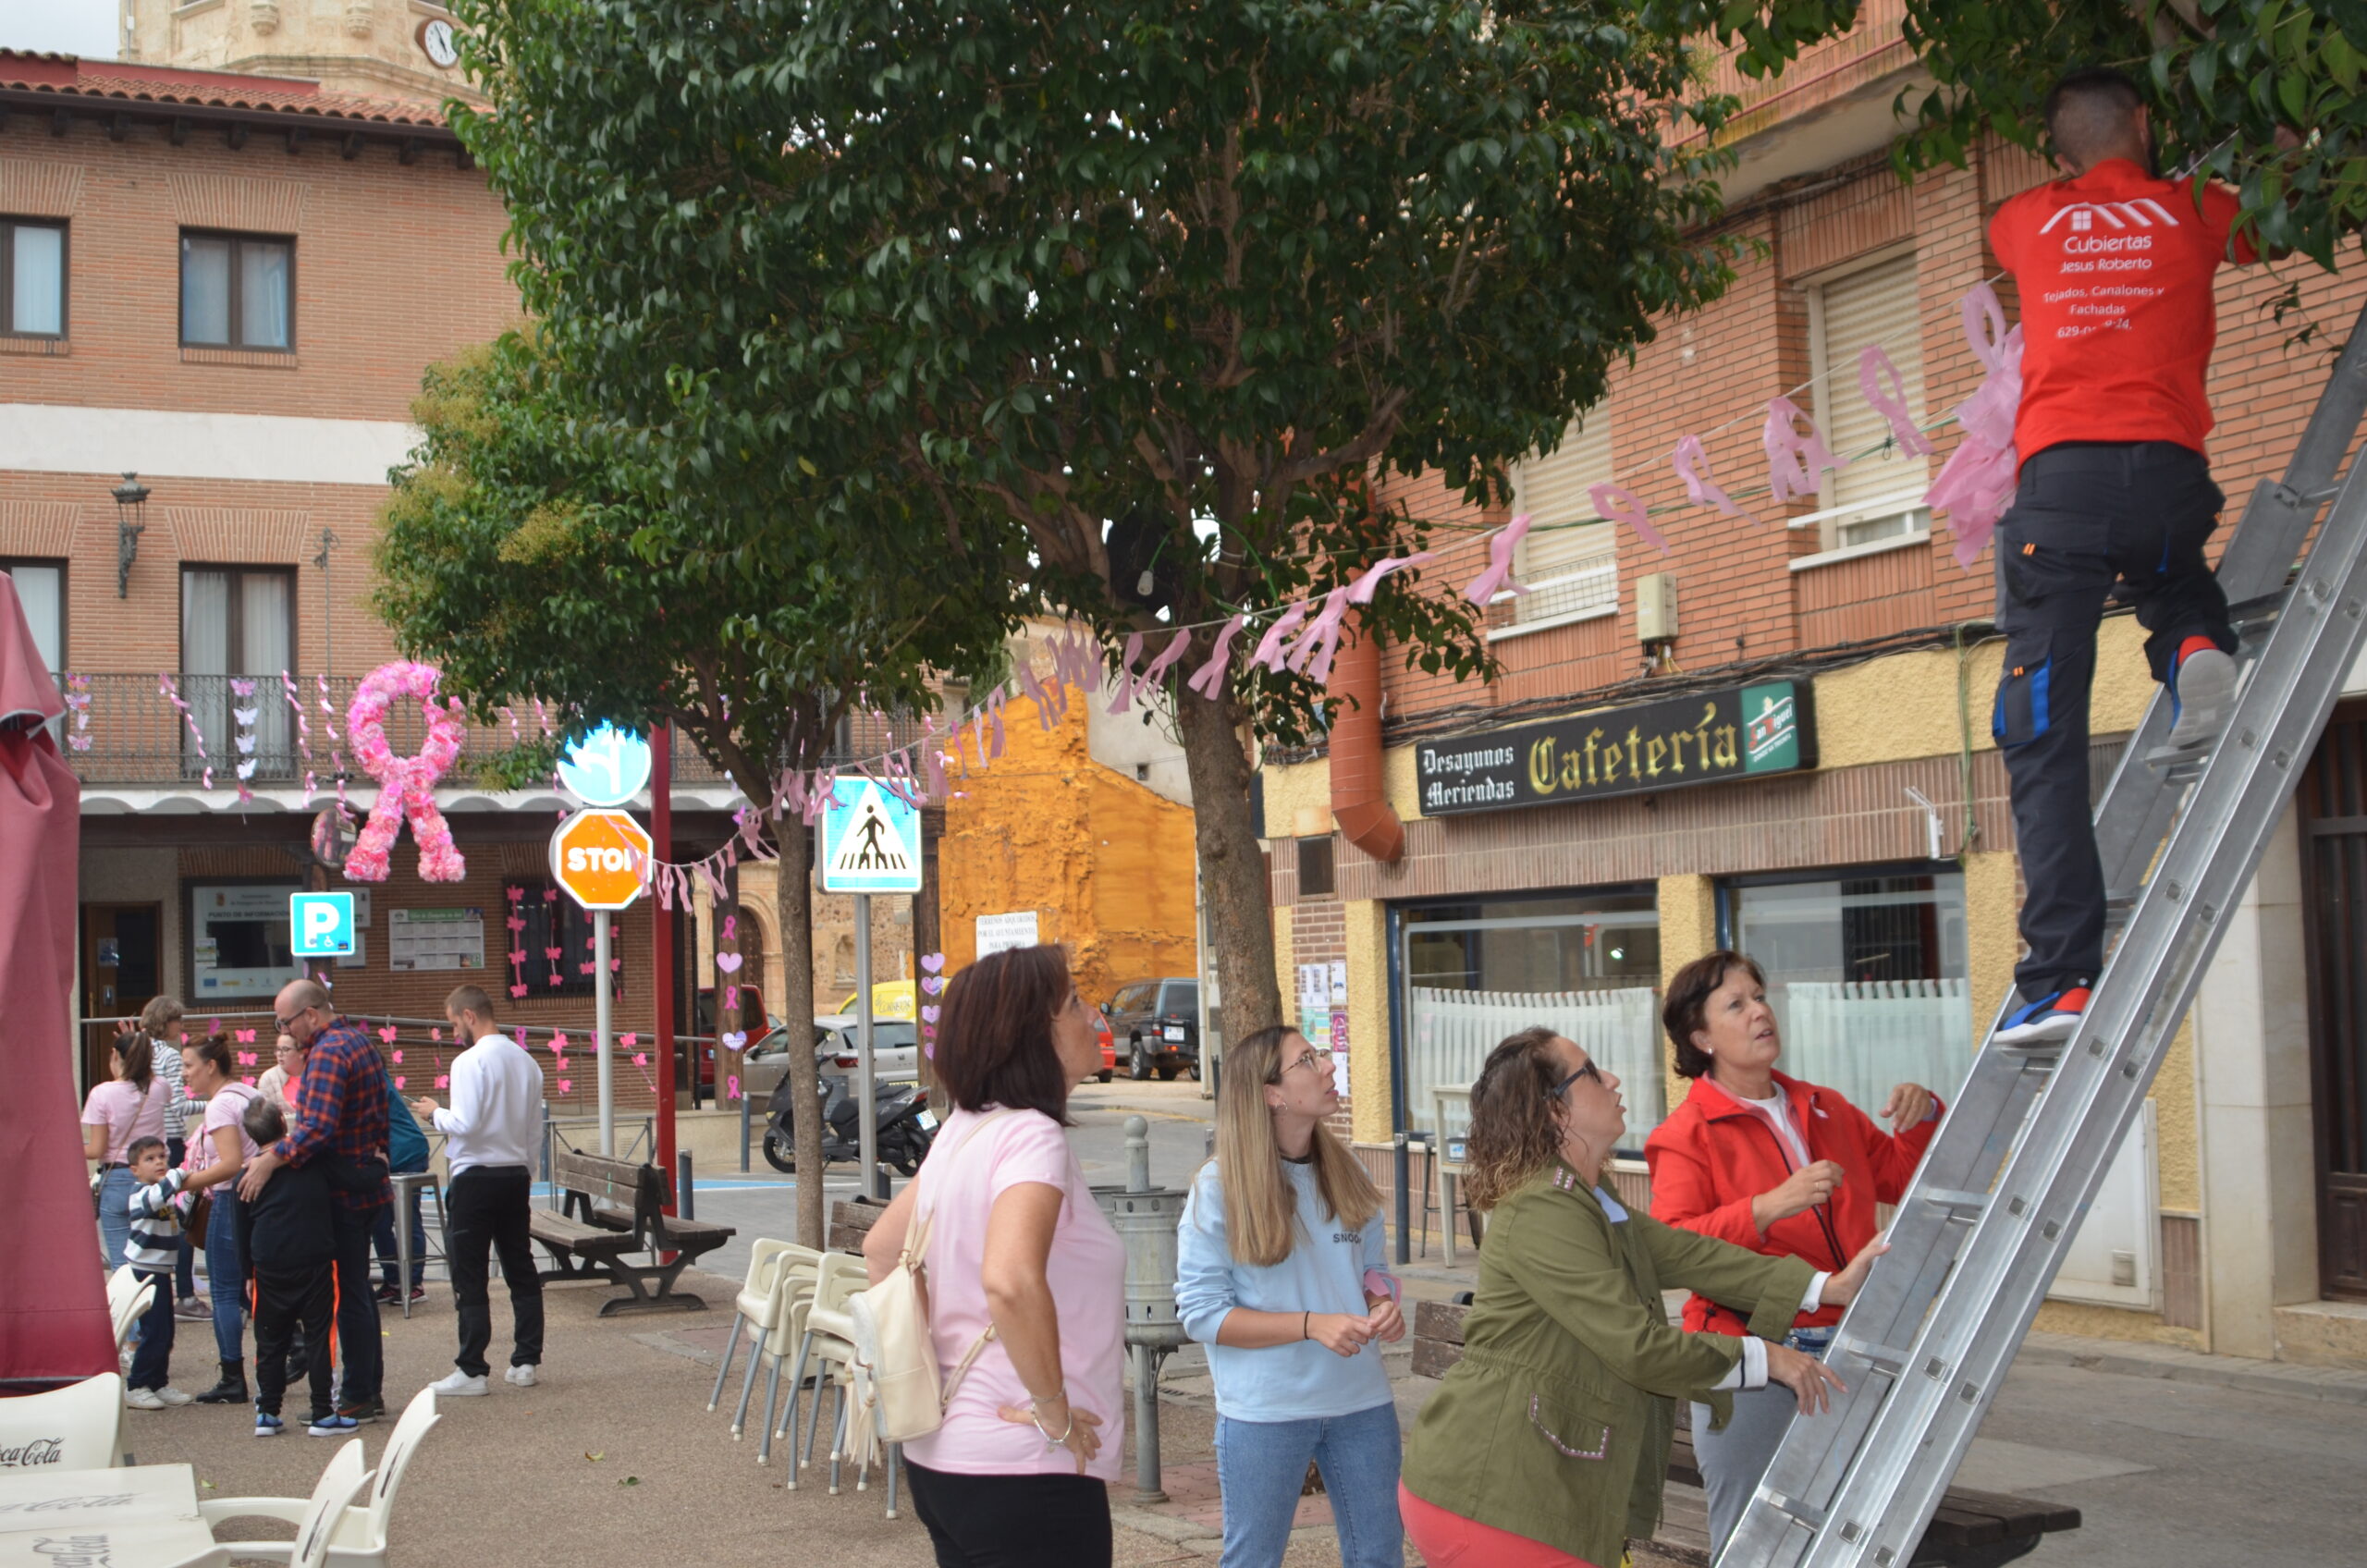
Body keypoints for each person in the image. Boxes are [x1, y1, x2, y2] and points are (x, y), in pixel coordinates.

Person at [1986, 66, 2276, 1047]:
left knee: (2044, 738)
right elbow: (2272, 225)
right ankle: (2194, 643)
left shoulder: (2026, 218)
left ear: (2057, 152)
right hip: (2167, 474)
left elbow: (2018, 231)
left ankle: (2061, 981)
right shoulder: (2196, 208)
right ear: (2145, 123)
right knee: (2169, 566)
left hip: (2060, 489)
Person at [1399, 1027, 1882, 1568]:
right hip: (1493, 1494)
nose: (1612, 1079)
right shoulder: (1542, 1208)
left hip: (1530, 1489)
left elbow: (1687, 1254)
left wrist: (1825, 1287)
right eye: (1590, 1073)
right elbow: (1638, 1347)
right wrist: (1766, 1357)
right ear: (1555, 1111)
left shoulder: (1586, 1196)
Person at [1644, 952, 1944, 1554]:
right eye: (1736, 1004)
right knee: (1752, 1544)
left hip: (1853, 1343)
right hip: (1752, 1352)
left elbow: (1900, 1179)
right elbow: (1672, 1248)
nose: (1760, 1011)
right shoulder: (1685, 1134)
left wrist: (1923, 1114)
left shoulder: (1825, 1105)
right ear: (1702, 1038)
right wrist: (1768, 1206)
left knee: (1859, 1530)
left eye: (1759, 996)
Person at [859, 945, 1125, 1568]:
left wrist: (945, 1364)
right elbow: (1009, 1280)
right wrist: (1054, 1411)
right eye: (1074, 1003)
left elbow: (881, 1251)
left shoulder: (966, 1128)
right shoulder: (1032, 1135)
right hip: (1026, 1468)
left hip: (945, 1457)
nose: (1093, 1015)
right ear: (1034, 1034)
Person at [1176, 1025, 1405, 1568]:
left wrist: (1381, 1304)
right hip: (1264, 1411)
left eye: (1321, 1054)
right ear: (1270, 1093)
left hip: (1362, 1403)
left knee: (1380, 1556)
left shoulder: (1349, 1171)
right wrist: (1310, 1324)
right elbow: (1201, 1315)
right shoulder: (1219, 1185)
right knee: (1253, 1559)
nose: (1328, 1066)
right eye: (1307, 1060)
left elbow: (1373, 1271)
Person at [239, 979, 390, 1425]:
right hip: (364, 1183)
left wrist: (271, 1160)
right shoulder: (359, 1042)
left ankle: (358, 1395)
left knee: (349, 1296)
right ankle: (366, 1390)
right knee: (358, 1290)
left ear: (310, 1014)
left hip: (343, 1192)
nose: (284, 1031)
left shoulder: (327, 1052)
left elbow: (318, 1128)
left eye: (285, 1022)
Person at [411, 986, 546, 1397]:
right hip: (514, 1174)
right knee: (520, 1266)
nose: (455, 1033)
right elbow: (534, 1131)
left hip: (475, 1177)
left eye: (454, 1023)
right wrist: (527, 1172)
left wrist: (434, 1112)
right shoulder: (527, 1062)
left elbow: (464, 1123)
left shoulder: (469, 1062)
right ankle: (526, 1360)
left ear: (469, 1015)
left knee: (469, 1273)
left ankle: (472, 1369)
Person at [239, 1096, 348, 1438]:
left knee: (270, 1340)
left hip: (268, 1263)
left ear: (251, 1135)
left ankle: (267, 1412)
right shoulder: (314, 1165)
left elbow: (240, 1228)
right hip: (315, 1257)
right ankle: (323, 1412)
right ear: (284, 1124)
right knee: (320, 1336)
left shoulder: (247, 1175)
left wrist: (246, 1272)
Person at [177, 1034, 266, 1405]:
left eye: (189, 1066)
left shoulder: (219, 1106)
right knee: (255, 1283)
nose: (185, 1074)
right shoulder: (249, 1093)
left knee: (225, 1292)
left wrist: (182, 1182)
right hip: (258, 1198)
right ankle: (293, 1344)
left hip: (229, 1199)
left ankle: (232, 1377)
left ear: (210, 1066)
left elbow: (229, 1164)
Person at [123, 998, 203, 1317]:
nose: (180, 1026)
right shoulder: (169, 1056)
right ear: (166, 1022)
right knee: (179, 1218)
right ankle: (185, 1293)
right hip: (169, 1141)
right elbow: (180, 1105)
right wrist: (214, 1103)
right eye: (177, 1020)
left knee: (149, 1217)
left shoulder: (137, 1051)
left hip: (141, 1142)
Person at [83, 1031, 167, 1273]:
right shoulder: (160, 1087)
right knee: (156, 1260)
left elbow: (96, 1149)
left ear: (115, 1055)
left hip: (117, 1180)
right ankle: (158, 1299)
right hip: (155, 1179)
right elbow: (150, 1077)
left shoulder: (101, 1093)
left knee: (123, 1268)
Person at [121, 1135, 191, 1409]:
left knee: (166, 1331)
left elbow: (179, 1214)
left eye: (162, 1157)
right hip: (145, 1271)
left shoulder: (163, 1194)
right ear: (135, 1170)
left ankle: (157, 1382)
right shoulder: (141, 1195)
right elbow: (159, 1195)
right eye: (150, 1159)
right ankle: (136, 1385)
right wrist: (178, 1174)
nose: (159, 1162)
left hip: (160, 1270)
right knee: (154, 1331)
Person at [373, 1060, 432, 1307]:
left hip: (405, 1153)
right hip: (391, 1154)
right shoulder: (373, 1080)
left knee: (407, 1219)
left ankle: (414, 1283)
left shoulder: (375, 1082)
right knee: (380, 1222)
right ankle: (394, 1280)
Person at [257, 1034, 300, 1112]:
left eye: (285, 1049)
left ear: (301, 1053)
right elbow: (265, 1114)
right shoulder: (268, 1078)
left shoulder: (313, 1075)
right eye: (277, 1049)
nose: (279, 1054)